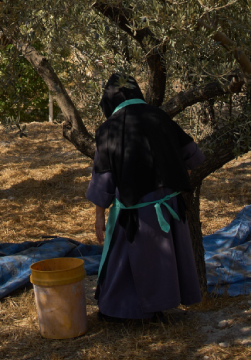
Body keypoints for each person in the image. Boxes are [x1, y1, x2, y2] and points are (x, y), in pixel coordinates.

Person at [87, 74, 204, 321]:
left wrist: (99, 217)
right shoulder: (160, 116)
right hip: (170, 208)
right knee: (163, 259)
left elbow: (103, 180)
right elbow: (192, 156)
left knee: (129, 260)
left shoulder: (109, 129)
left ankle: (124, 313)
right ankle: (161, 308)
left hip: (135, 212)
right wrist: (173, 186)